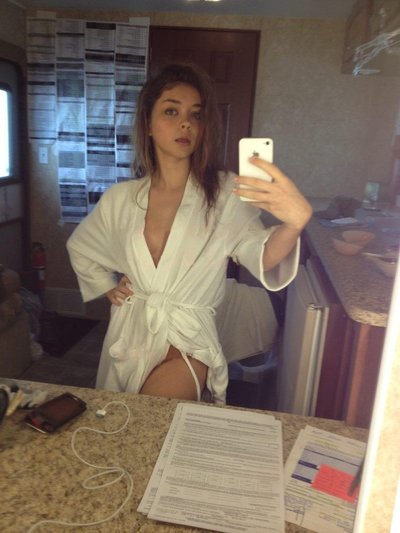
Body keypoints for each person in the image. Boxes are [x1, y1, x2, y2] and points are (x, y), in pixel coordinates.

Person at [67, 62, 312, 404]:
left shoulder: (224, 192)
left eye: (195, 115)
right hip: (130, 333)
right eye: (172, 111)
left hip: (188, 339)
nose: (186, 123)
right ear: (148, 124)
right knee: (121, 424)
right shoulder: (120, 199)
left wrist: (295, 224)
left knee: (149, 424)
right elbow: (82, 246)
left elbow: (263, 254)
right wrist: (106, 285)